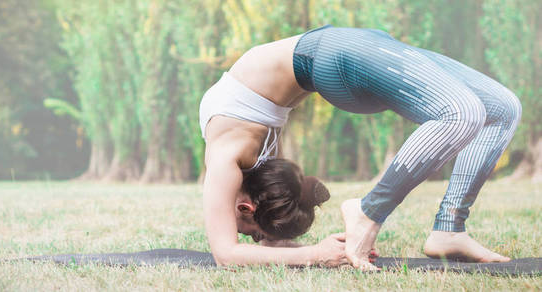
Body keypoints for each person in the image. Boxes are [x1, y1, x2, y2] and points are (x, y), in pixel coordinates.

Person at [199, 25, 521, 269]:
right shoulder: (256, 167)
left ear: (246, 208)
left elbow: (225, 254)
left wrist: (311, 254)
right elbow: (269, 242)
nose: (250, 237)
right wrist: (318, 251)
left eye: (249, 233)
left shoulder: (225, 159)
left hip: (338, 52)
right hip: (337, 55)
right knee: (465, 113)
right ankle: (414, 220)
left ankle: (409, 220)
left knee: (502, 108)